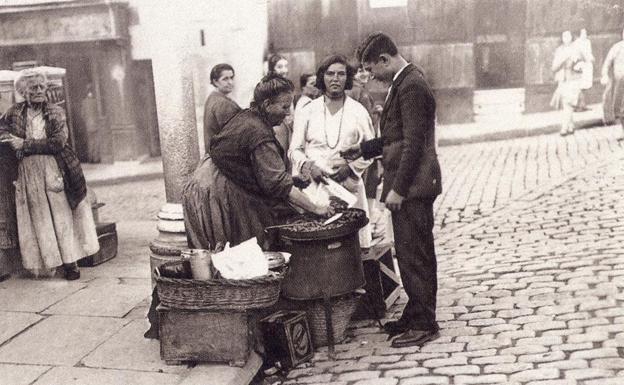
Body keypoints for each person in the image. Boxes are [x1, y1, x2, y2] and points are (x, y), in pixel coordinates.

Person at [341, 32, 442, 348]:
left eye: (372, 69)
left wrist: (397, 189)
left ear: (384, 59)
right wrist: (364, 148)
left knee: (416, 254)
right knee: (410, 251)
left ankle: (425, 322)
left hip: (412, 186)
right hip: (409, 185)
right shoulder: (405, 81)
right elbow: (396, 137)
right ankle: (415, 312)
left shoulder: (410, 85)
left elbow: (414, 144)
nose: (371, 77)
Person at [184, 73, 334, 250]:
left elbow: (261, 173)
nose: (288, 113)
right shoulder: (259, 133)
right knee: (231, 253)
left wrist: (293, 180)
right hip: (215, 191)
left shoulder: (249, 116)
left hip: (212, 182)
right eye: (284, 107)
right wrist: (316, 209)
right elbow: (277, 184)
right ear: (267, 105)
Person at [0, 68, 99, 280]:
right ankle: (50, 262)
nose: (38, 91)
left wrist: (24, 144)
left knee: (61, 216)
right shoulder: (15, 112)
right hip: (27, 171)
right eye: (33, 88)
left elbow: (58, 142)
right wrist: (9, 139)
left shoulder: (55, 112)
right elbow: (2, 129)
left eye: (41, 87)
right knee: (40, 218)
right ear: (23, 91)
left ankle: (71, 263)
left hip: (54, 168)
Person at [202, 63, 241, 154]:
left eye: (231, 78)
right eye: (225, 79)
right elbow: (235, 135)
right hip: (223, 156)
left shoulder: (213, 97)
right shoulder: (222, 103)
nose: (230, 82)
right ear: (215, 82)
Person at [550, 30, 583, 136]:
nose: (566, 37)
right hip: (562, 80)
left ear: (571, 37)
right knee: (566, 104)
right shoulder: (559, 50)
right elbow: (554, 67)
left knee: (568, 103)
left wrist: (576, 62)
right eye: (564, 35)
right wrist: (563, 59)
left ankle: (564, 128)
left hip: (574, 79)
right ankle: (571, 126)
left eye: (568, 35)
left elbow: (582, 63)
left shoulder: (576, 49)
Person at [601, 27, 624, 135]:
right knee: (620, 109)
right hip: (619, 84)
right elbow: (607, 63)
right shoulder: (617, 47)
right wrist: (604, 75)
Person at [574, 28, 594, 111]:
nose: (584, 35)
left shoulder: (588, 42)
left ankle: (583, 104)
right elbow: (576, 56)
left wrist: (591, 58)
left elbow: (589, 53)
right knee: (580, 86)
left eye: (585, 33)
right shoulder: (577, 43)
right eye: (582, 33)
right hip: (580, 65)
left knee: (585, 86)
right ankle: (578, 105)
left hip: (587, 65)